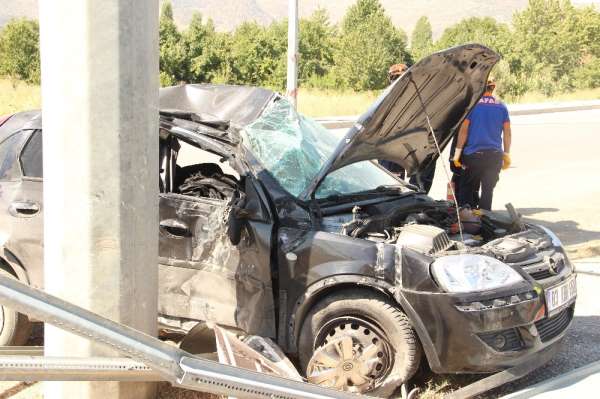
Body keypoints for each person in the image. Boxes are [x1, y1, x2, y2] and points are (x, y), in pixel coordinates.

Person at [453, 78, 511, 210]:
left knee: (467, 189)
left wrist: (457, 154)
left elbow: (463, 131)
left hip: (473, 156)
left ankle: (467, 219)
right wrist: (506, 154)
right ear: (493, 87)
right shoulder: (501, 106)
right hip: (494, 156)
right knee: (487, 191)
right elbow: (507, 133)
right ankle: (485, 218)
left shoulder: (473, 106)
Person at [379, 63, 436, 193]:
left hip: (396, 146)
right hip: (398, 146)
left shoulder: (386, 97)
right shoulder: (419, 96)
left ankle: (414, 200)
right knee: (395, 185)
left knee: (394, 184)